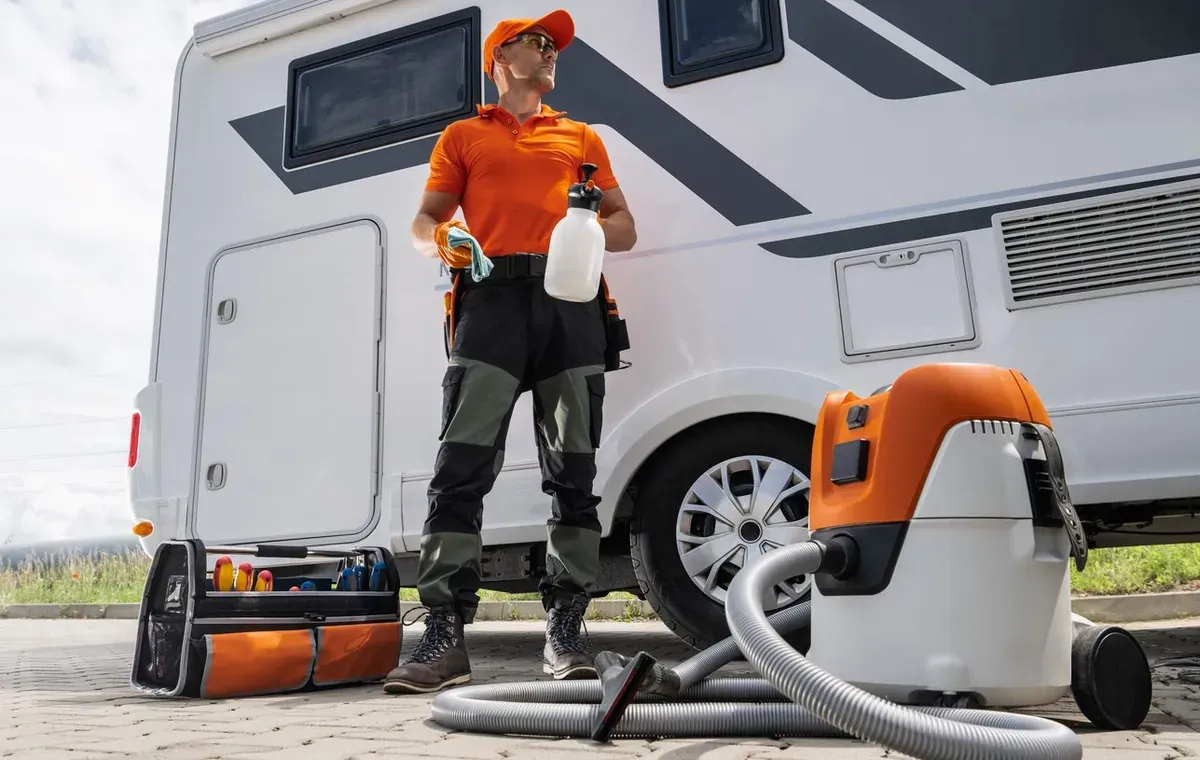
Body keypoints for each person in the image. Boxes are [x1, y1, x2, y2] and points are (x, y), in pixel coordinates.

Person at [383, 9, 637, 695]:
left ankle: (566, 631)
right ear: (500, 56)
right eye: (538, 42)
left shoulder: (580, 136)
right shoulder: (464, 136)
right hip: (490, 305)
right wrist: (442, 240)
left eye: (555, 46)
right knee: (459, 470)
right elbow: (424, 221)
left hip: (570, 306)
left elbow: (625, 228)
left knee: (573, 474)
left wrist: (587, 220)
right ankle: (444, 637)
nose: (552, 53)